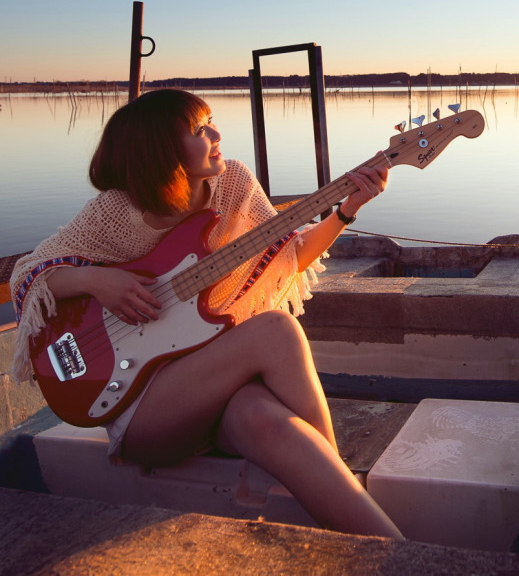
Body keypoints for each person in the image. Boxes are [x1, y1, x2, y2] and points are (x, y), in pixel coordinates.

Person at [11, 89, 402, 539]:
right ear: (163, 151)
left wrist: (347, 210)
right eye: (200, 129)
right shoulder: (117, 211)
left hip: (215, 379)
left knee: (272, 425)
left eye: (211, 121)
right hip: (138, 399)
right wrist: (97, 281)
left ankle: (393, 554)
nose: (216, 134)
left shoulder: (233, 183)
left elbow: (289, 252)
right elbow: (31, 274)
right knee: (275, 328)